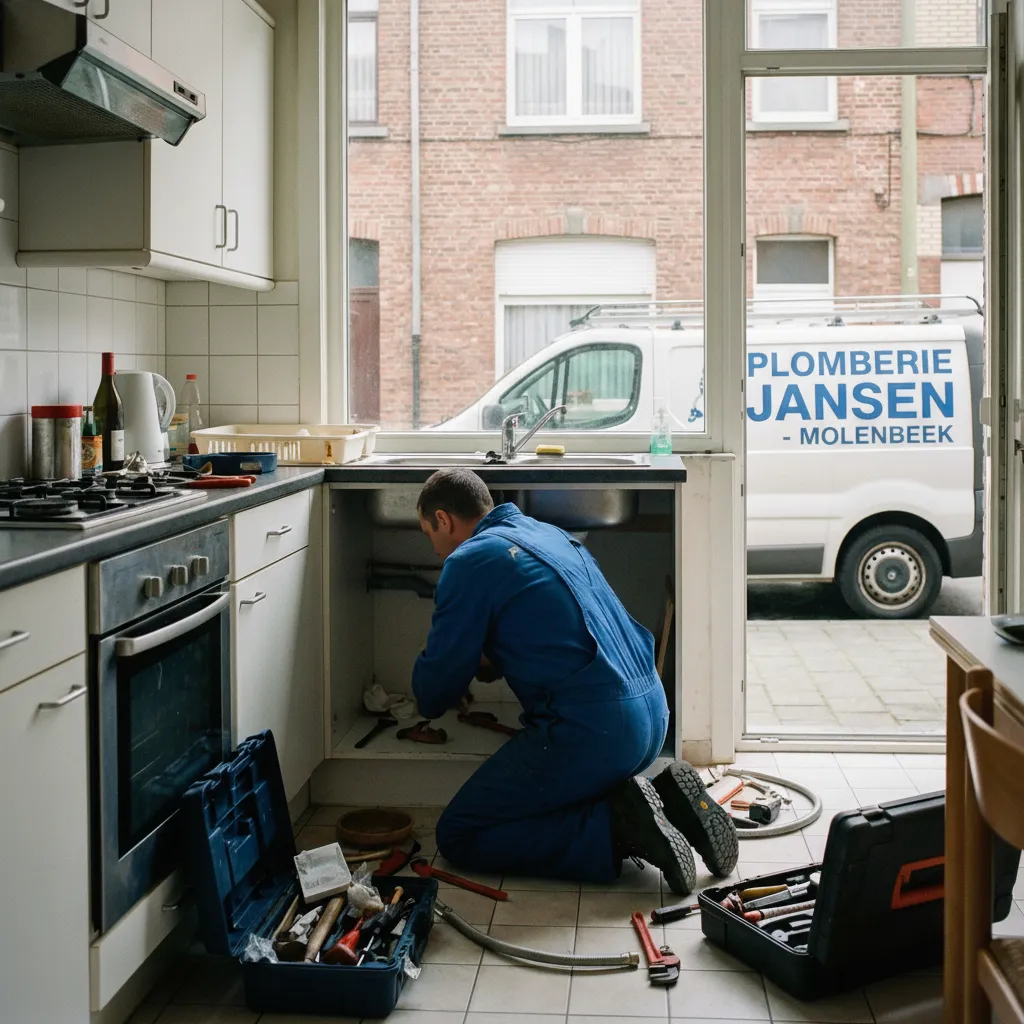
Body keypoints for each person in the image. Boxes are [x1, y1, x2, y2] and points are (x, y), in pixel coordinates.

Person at [411, 468, 737, 893]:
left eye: (429, 535)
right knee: (554, 793)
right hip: (653, 716)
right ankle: (667, 797)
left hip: (597, 733)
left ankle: (616, 828)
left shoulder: (468, 560)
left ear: (443, 519)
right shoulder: (549, 534)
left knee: (460, 833)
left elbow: (434, 691)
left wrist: (435, 681)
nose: (435, 550)